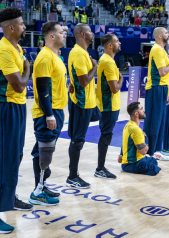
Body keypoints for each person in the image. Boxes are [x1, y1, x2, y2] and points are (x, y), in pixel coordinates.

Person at [0, 7, 32, 234]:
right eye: (21, 24)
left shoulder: (17, 47)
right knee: (6, 159)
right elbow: (19, 85)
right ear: (11, 28)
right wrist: (28, 70)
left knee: (15, 156)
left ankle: (10, 197)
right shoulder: (3, 50)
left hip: (17, 107)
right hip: (6, 108)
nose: (24, 27)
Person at [29, 21, 67, 206]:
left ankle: (41, 186)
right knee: (44, 153)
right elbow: (42, 88)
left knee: (44, 152)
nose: (64, 34)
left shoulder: (55, 56)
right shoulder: (45, 57)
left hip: (57, 110)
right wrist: (49, 114)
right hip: (47, 113)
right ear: (52, 37)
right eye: (61, 32)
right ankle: (37, 192)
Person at [67, 24, 98, 189]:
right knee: (77, 140)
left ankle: (73, 175)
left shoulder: (83, 52)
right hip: (81, 103)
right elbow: (84, 81)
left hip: (89, 103)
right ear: (82, 34)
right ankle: (72, 176)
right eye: (90, 32)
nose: (92, 34)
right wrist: (95, 67)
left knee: (79, 137)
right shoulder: (78, 53)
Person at [95, 33, 123, 179]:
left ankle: (100, 168)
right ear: (110, 45)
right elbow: (115, 88)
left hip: (109, 105)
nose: (120, 43)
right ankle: (100, 168)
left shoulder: (106, 60)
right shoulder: (108, 62)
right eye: (117, 41)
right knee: (106, 136)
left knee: (106, 135)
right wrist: (122, 79)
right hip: (108, 105)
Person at [143, 27, 169, 160]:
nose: (168, 34)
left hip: (161, 88)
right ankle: (151, 151)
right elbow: (162, 72)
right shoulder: (157, 50)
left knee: (160, 120)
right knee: (154, 120)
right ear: (160, 36)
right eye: (166, 33)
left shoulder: (162, 50)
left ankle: (157, 150)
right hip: (156, 88)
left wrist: (165, 92)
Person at [120, 102, 161, 176]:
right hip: (132, 163)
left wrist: (120, 157)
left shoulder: (128, 125)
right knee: (155, 169)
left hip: (138, 159)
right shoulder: (136, 130)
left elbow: (124, 143)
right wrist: (145, 138)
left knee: (154, 161)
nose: (144, 110)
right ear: (136, 114)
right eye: (141, 109)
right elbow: (144, 151)